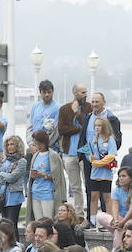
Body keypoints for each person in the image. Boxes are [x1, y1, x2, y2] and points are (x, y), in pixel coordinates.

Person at [57, 84, 91, 215]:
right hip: (69, 152)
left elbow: (87, 126)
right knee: (75, 186)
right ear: (75, 93)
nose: (85, 94)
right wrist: (77, 129)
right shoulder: (64, 109)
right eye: (82, 92)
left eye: (86, 92)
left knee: (88, 184)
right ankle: (79, 213)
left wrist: (77, 112)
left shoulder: (88, 108)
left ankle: (90, 214)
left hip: (85, 150)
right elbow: (61, 130)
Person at [28, 79, 60, 143]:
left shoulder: (58, 108)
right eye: (44, 92)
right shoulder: (35, 107)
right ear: (40, 92)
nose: (47, 95)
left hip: (50, 148)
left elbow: (56, 132)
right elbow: (29, 127)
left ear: (53, 91)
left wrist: (43, 146)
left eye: (49, 92)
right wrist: (30, 144)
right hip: (35, 148)